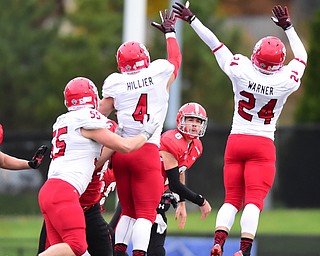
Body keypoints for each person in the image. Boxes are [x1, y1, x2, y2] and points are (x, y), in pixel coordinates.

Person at [172, 2, 307, 256]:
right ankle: (244, 250)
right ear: (279, 63)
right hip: (263, 143)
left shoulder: (240, 69)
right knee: (254, 202)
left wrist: (191, 20)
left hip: (237, 139)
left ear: (255, 55)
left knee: (231, 200)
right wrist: (288, 27)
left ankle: (218, 243)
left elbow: (215, 44)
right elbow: (302, 57)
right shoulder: (285, 81)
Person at [38, 77, 159, 256]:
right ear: (92, 97)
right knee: (77, 246)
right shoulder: (87, 118)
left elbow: (96, 160)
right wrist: (146, 133)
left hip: (49, 191)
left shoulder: (63, 120)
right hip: (65, 192)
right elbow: (126, 147)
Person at [98, 8, 182, 256]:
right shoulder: (158, 73)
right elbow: (175, 62)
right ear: (145, 58)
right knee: (146, 214)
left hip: (122, 152)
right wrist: (170, 34)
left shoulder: (115, 82)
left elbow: (100, 112)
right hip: (146, 150)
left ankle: (119, 251)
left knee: (128, 212)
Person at [37, 120, 117, 256]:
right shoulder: (79, 157)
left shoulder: (115, 168)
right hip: (66, 209)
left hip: (91, 211)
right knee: (75, 247)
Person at [147, 102, 212, 256]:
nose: (195, 125)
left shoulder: (196, 146)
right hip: (141, 194)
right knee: (117, 241)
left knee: (156, 251)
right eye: (191, 120)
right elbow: (175, 184)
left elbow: (180, 170)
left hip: (157, 199)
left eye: (198, 121)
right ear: (180, 120)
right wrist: (200, 201)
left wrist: (182, 203)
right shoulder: (171, 140)